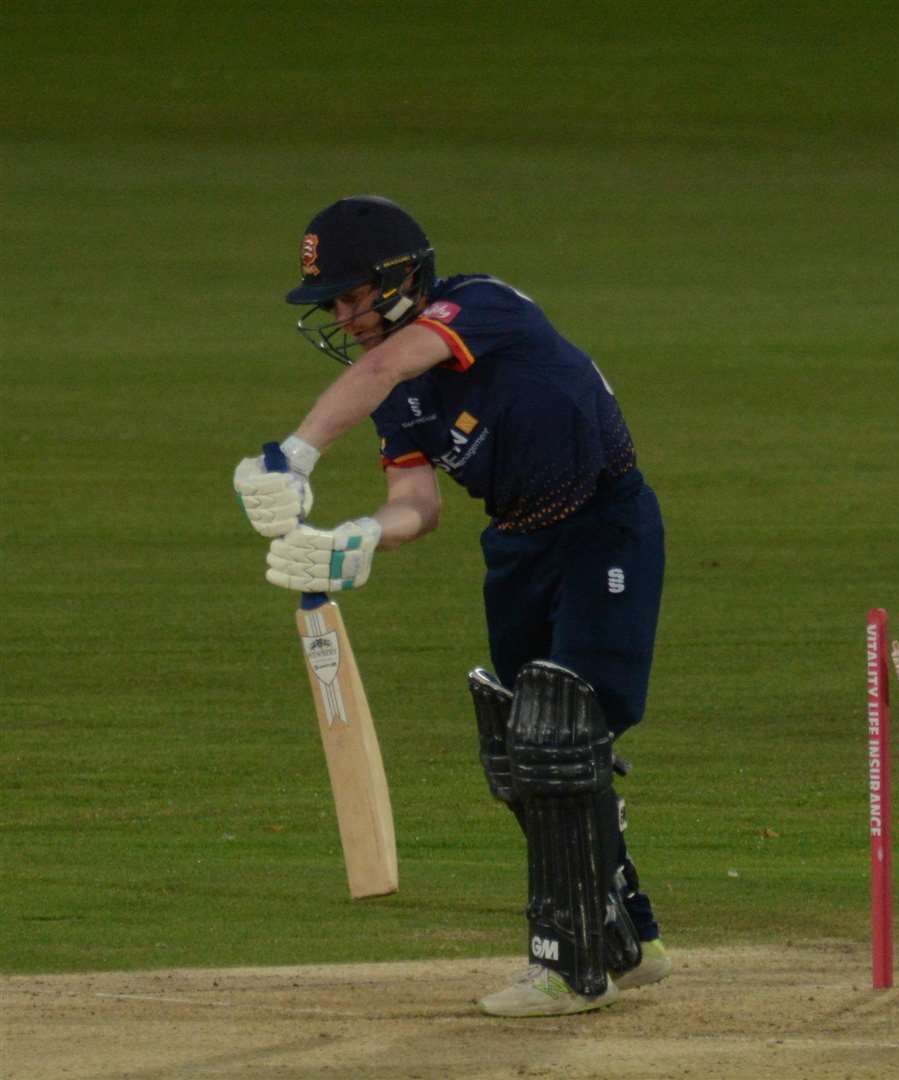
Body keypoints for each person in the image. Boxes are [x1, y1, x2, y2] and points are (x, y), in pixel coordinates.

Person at [232, 195, 670, 1016]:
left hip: (603, 530)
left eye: (349, 296)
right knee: (522, 753)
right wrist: (355, 539)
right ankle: (625, 938)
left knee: (562, 738)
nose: (340, 317)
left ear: (399, 281)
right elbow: (417, 504)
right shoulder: (397, 401)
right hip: (517, 546)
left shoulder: (478, 306)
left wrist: (294, 454)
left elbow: (382, 368)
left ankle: (566, 963)